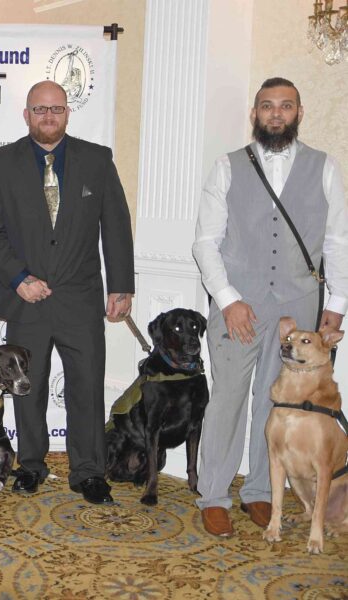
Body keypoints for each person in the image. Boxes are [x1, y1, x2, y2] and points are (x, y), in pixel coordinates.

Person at [192, 77, 348, 537]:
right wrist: (228, 300)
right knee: (228, 400)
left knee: (277, 401)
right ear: (254, 114)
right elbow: (205, 243)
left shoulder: (325, 167)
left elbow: (337, 241)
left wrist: (336, 303)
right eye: (266, 106)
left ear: (299, 113)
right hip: (238, 303)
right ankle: (215, 496)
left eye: (285, 106)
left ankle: (260, 491)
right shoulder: (227, 166)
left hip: (299, 305)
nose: (275, 114)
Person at [0, 80, 134, 504]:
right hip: (25, 299)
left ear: (68, 113)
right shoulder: (0, 162)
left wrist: (121, 284)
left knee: (87, 387)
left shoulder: (96, 160)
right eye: (40, 109)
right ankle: (31, 466)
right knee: (29, 389)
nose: (48, 117)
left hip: (80, 300)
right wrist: (18, 279)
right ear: (26, 114)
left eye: (56, 109)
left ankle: (88, 471)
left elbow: (115, 224)